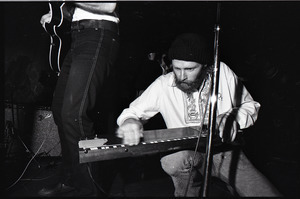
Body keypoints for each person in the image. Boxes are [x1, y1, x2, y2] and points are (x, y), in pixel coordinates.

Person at [116, 33, 282, 197]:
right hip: (187, 155)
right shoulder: (164, 84)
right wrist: (130, 121)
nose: (181, 76)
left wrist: (233, 117)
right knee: (172, 161)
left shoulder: (222, 72)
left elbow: (250, 105)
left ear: (205, 66)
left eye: (190, 69)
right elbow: (131, 113)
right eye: (177, 68)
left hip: (226, 152)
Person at [38, 2, 119, 197]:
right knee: (59, 110)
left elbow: (108, 6)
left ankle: (91, 191)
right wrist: (56, 16)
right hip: (77, 36)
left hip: (98, 32)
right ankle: (72, 179)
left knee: (75, 114)